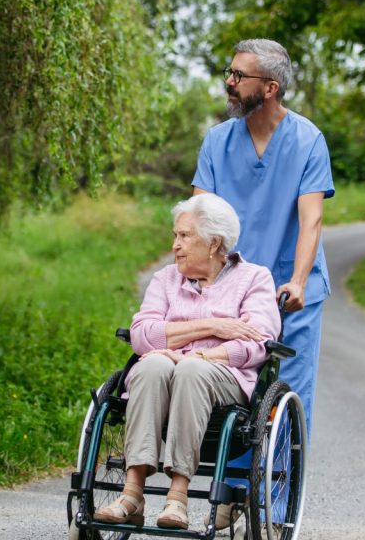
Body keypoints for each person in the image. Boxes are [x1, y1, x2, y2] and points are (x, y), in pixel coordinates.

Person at [192, 38, 334, 529]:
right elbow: (199, 217)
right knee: (237, 384)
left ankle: (276, 501)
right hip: (232, 289)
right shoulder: (217, 141)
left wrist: (296, 281)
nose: (229, 82)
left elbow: (310, 220)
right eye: (228, 72)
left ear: (269, 88)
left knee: (289, 391)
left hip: (291, 294)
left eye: (239, 76)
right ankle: (230, 493)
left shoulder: (308, 140)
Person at [93, 193, 281, 530]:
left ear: (213, 244)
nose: (175, 245)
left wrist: (203, 354)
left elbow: (257, 344)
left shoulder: (254, 279)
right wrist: (210, 326)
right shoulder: (166, 279)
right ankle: (132, 493)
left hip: (224, 377)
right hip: (166, 372)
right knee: (150, 365)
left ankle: (177, 498)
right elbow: (142, 335)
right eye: (175, 235)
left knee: (192, 369)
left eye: (185, 236)